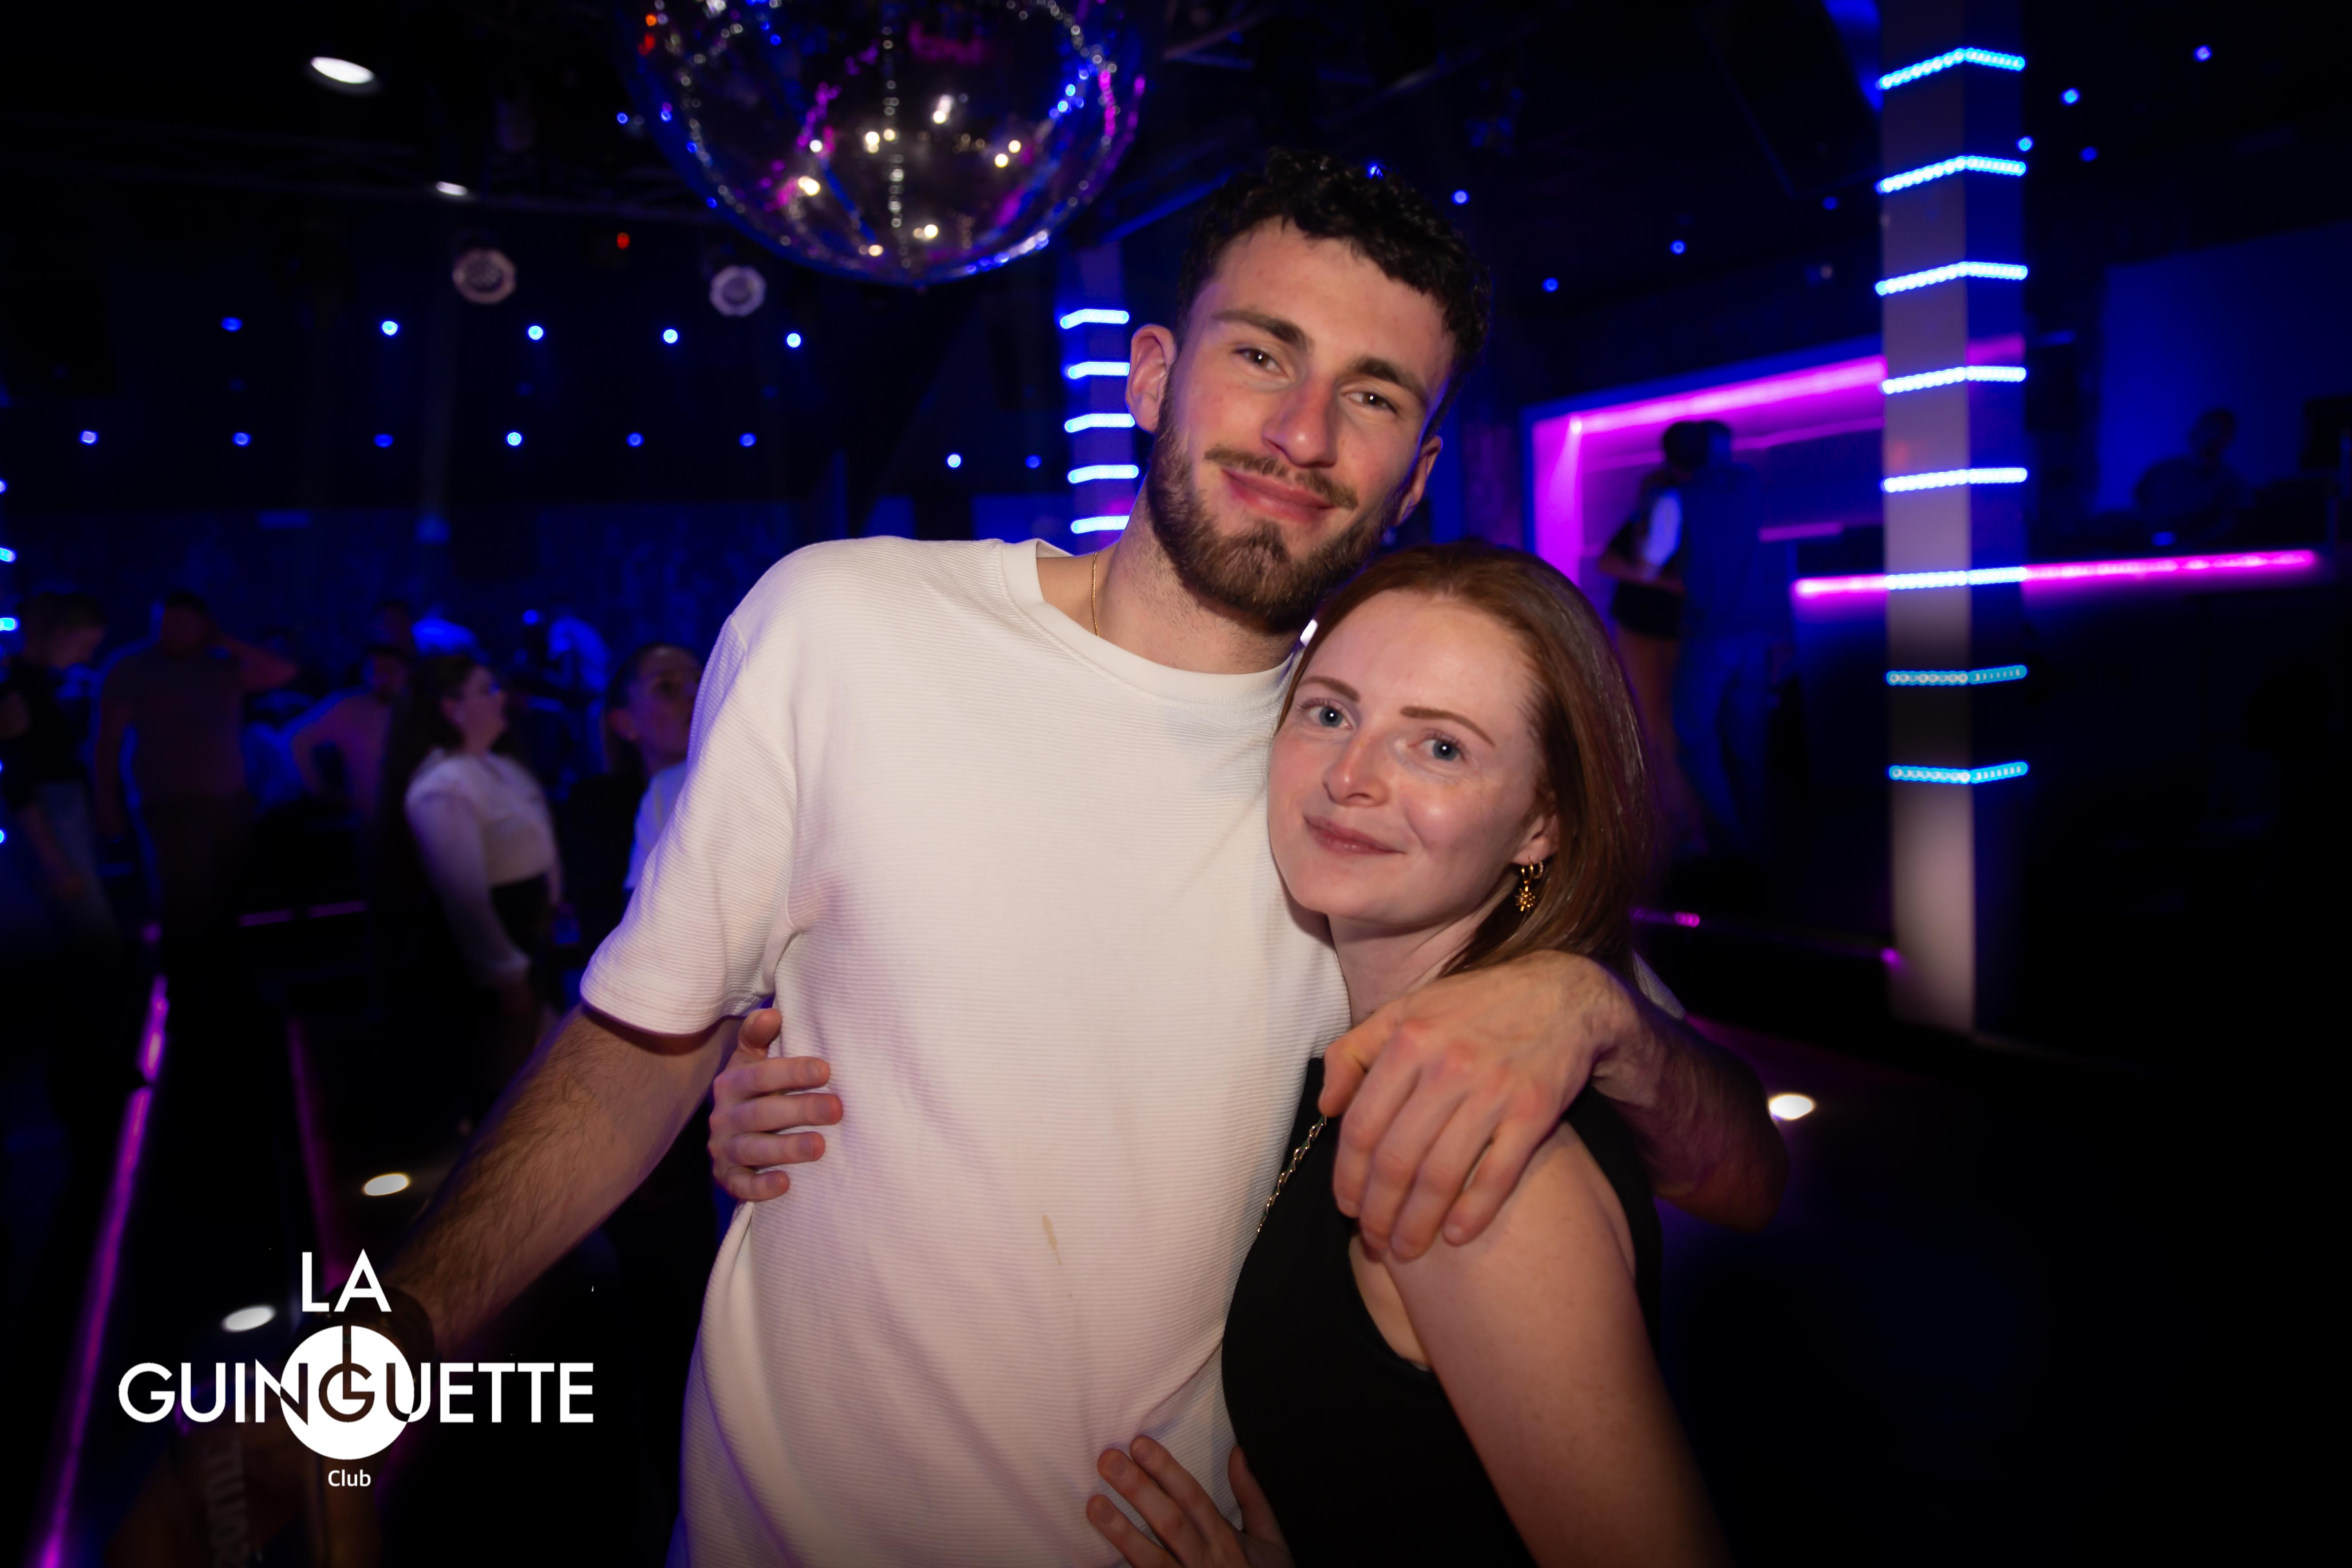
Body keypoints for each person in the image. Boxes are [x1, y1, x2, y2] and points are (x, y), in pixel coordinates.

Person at [121, 151, 1779, 1567]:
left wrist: (1593, 1013)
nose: (1298, 430)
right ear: (1149, 374)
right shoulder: (843, 628)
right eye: (1260, 354)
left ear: (1411, 473)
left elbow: (1734, 1175)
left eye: (1370, 395)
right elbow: (636, 1050)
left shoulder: (1374, 798)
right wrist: (353, 1381)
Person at [1082, 544, 1727, 1567]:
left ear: (1542, 822)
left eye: (1440, 747)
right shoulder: (1388, 1042)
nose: (1351, 776)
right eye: (1330, 712)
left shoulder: (1468, 1155)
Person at [384, 656, 562, 1097]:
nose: (501, 698)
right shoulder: (443, 785)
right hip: (498, 947)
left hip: (530, 933)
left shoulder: (500, 767)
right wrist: (505, 973)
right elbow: (464, 897)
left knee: (543, 1066)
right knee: (507, 1084)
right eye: (486, 690)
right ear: (453, 707)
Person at [93, 589, 298, 938]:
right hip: (166, 801)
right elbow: (107, 740)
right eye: (164, 623)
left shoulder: (222, 665)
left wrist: (225, 640)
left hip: (229, 798)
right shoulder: (130, 666)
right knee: (182, 903)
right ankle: (183, 971)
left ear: (203, 626)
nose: (170, 632)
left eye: (182, 624)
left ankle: (223, 970)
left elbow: (283, 672)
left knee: (227, 899)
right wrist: (106, 802)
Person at [1669, 422, 1789, 862]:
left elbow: (1653, 560)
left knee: (1693, 738)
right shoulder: (1747, 486)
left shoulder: (1680, 498)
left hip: (1707, 636)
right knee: (1748, 746)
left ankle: (1733, 846)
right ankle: (1755, 845)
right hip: (1753, 635)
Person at [1596, 420, 1709, 855]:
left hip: (1661, 629)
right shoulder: (1643, 523)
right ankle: (1678, 826)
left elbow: (1631, 566)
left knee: (1663, 726)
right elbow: (1612, 562)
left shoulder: (1673, 515)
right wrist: (1667, 584)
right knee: (1657, 724)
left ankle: (1684, 827)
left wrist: (1664, 582)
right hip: (1647, 625)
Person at [563, 642, 703, 956]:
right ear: (625, 723)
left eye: (701, 679)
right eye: (666, 687)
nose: (694, 693)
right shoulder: (598, 808)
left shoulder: (749, 781)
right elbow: (608, 929)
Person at [0, 591, 117, 944]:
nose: (86, 657)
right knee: (90, 938)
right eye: (84, 645)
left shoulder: (42, 684)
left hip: (61, 821)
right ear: (58, 634)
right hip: (50, 825)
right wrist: (54, 861)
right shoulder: (17, 689)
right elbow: (17, 779)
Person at [287, 644, 409, 824]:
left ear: (406, 672)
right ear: (364, 672)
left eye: (392, 670)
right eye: (377, 670)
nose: (384, 678)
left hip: (421, 816)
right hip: (370, 818)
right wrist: (318, 789)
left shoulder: (418, 707)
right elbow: (297, 739)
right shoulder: (348, 707)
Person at [2135, 407, 2249, 549]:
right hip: (2148, 549)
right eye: (2209, 428)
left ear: (2229, 440)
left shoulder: (2231, 482)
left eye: (2221, 431)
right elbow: (2140, 506)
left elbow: (2230, 524)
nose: (2212, 436)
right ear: (2195, 432)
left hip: (2198, 552)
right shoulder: (2160, 471)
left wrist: (2190, 545)